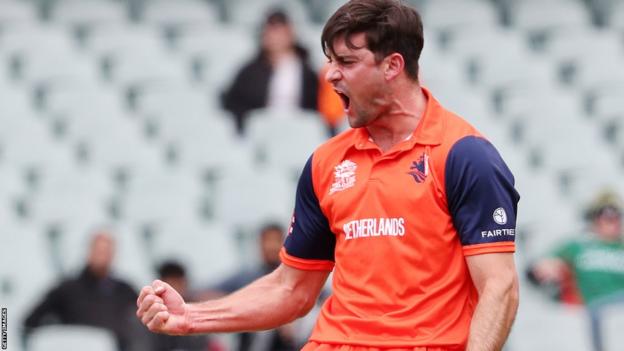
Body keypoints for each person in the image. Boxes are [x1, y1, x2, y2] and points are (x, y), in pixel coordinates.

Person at [137, 1, 521, 350]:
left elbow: (499, 287)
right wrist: (191, 317)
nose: (330, 75)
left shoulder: (464, 155)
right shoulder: (326, 163)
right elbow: (291, 290)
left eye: (346, 62)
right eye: (329, 61)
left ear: (392, 66)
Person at [529, 190, 624, 351]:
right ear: (595, 217)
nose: (612, 219)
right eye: (605, 213)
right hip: (596, 311)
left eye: (616, 214)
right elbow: (541, 266)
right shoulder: (578, 246)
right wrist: (550, 268)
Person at [23, 231, 149, 351]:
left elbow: (146, 320)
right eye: (99, 250)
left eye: (107, 251)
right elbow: (31, 321)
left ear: (113, 254)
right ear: (90, 251)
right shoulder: (67, 289)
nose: (102, 256)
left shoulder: (125, 290)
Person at [222, 9, 319, 135]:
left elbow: (316, 106)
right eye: (271, 31)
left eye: (280, 31)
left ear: (290, 33)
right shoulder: (250, 72)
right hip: (262, 133)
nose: (275, 37)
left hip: (298, 132)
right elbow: (234, 103)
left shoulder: (307, 72)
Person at [205, 223, 301, 351]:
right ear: (259, 244)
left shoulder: (295, 277)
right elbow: (205, 292)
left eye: (276, 240)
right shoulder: (247, 277)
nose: (271, 246)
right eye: (267, 241)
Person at [150, 260, 218, 351]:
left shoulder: (195, 307)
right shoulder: (154, 314)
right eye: (173, 283)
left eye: (179, 282)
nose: (176, 288)